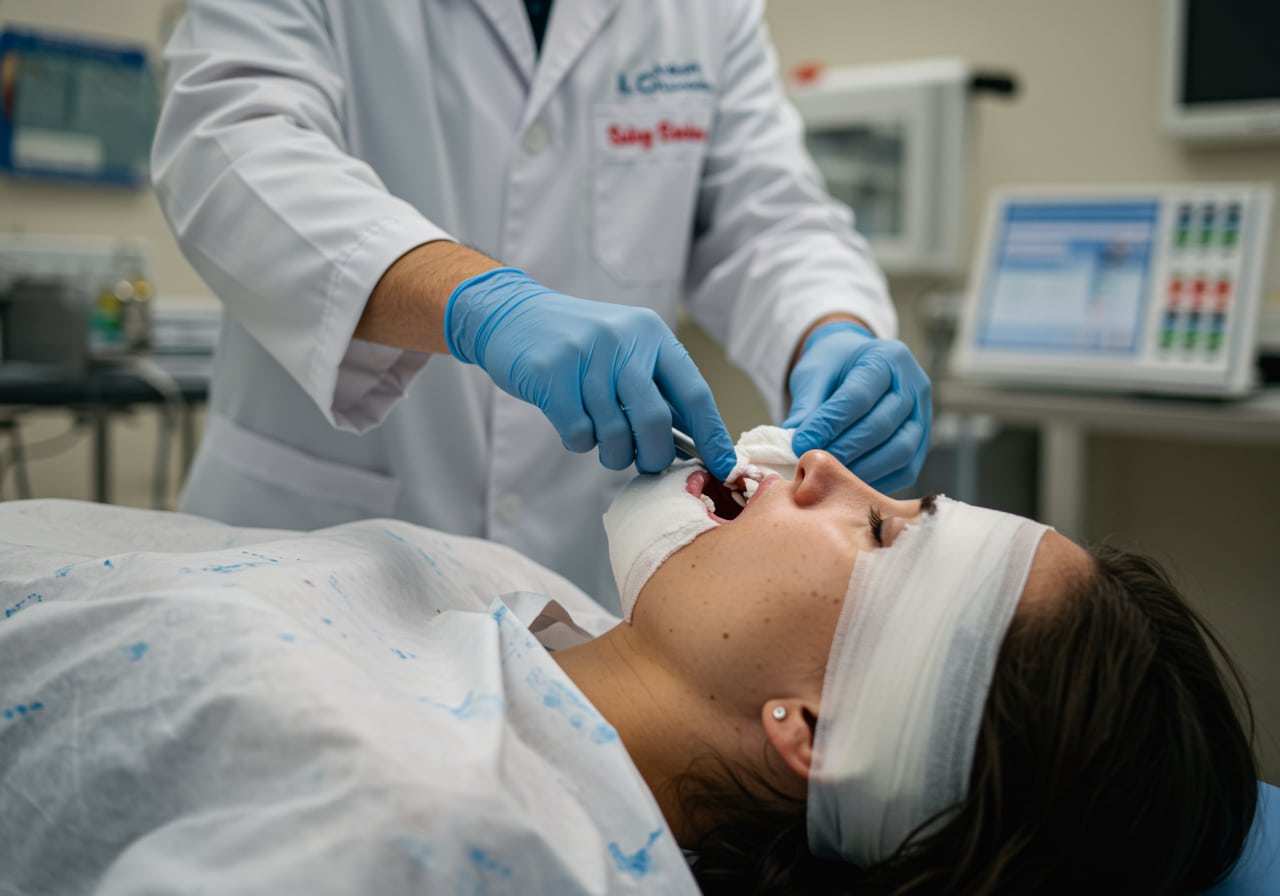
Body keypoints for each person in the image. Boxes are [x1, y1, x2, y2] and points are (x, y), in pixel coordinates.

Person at [0, 450, 1258, 894]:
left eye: (882, 529)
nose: (819, 466)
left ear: (817, 723)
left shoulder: (420, 829)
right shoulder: (528, 608)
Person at [149, 0, 932, 611]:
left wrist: (833, 327)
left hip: (568, 579)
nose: (815, 484)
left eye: (879, 529)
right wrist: (475, 302)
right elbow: (228, 143)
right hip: (312, 549)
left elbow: (767, 217)